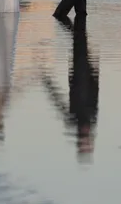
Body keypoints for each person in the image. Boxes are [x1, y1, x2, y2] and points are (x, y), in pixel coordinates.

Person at [41, 15, 99, 160]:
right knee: (79, 40)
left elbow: (94, 94)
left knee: (79, 40)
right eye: (88, 142)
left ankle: (70, 18)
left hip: (79, 74)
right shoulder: (88, 119)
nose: (88, 138)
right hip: (81, 74)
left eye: (86, 143)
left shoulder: (76, 121)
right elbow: (94, 94)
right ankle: (70, 18)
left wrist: (47, 83)